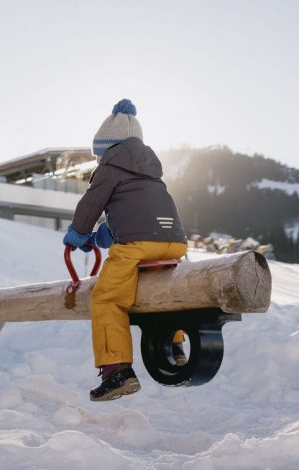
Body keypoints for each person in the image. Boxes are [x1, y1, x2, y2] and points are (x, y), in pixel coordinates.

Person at [63, 98, 188, 401]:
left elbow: (92, 204)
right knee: (161, 293)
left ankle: (116, 370)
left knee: (107, 298)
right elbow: (134, 216)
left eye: (98, 154)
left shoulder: (110, 167)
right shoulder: (150, 172)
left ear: (107, 148)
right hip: (174, 242)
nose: (97, 160)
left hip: (138, 246)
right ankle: (173, 345)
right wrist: (99, 238)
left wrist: (78, 234)